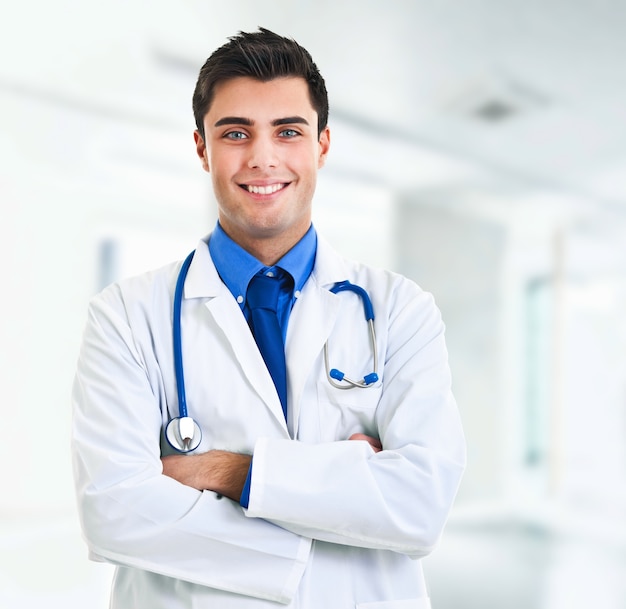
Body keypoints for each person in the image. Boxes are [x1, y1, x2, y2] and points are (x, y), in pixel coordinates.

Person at [71, 27, 466, 609]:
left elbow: (420, 506)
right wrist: (341, 497)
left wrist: (232, 473)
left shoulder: (400, 310)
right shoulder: (126, 317)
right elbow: (112, 510)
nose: (262, 158)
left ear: (322, 145)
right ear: (203, 148)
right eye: (235, 133)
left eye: (288, 131)